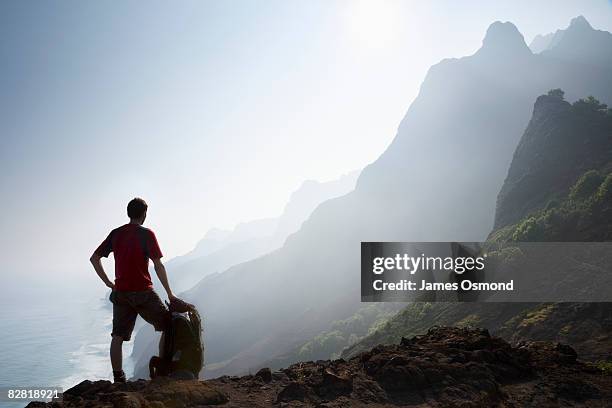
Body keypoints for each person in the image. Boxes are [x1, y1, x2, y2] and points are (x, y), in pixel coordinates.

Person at [90, 197, 176, 383]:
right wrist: (170, 293)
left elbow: (94, 258)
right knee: (168, 325)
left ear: (128, 213)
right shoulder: (147, 234)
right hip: (143, 291)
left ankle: (118, 378)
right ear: (144, 214)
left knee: (118, 336)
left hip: (121, 292)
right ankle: (162, 370)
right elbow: (158, 265)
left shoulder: (116, 234)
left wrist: (108, 283)